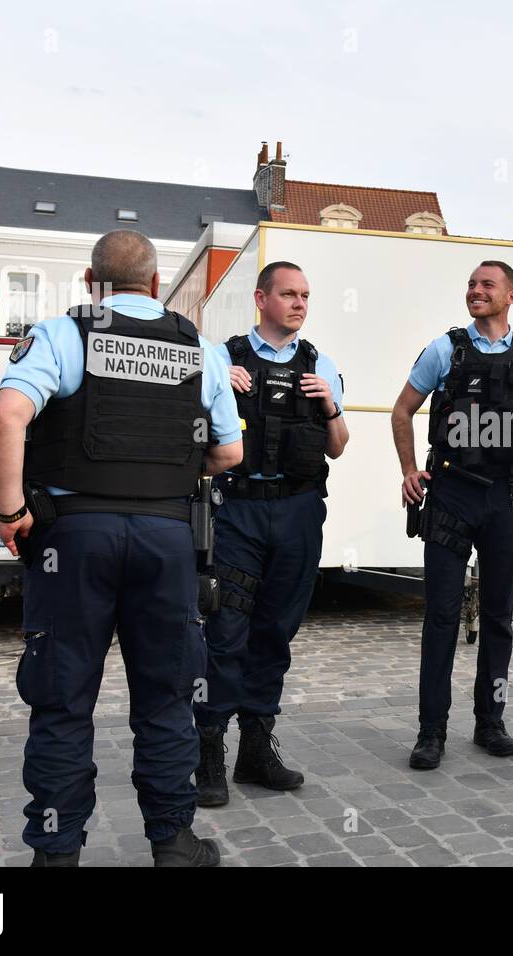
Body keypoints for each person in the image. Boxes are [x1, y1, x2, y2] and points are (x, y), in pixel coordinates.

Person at [0, 230, 243, 867]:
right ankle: (174, 844)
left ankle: (56, 851)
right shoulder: (198, 349)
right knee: (166, 697)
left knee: (63, 699)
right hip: (165, 540)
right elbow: (230, 452)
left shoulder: (63, 334)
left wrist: (11, 509)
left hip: (73, 539)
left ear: (90, 281)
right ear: (156, 285)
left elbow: (4, 417)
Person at [391, 261, 513, 770]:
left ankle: (491, 721)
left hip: (508, 499)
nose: (476, 291)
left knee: (498, 617)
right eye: (470, 284)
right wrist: (407, 470)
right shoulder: (446, 349)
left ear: (512, 295)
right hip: (450, 496)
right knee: (440, 615)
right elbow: (402, 411)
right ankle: (431, 730)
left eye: (487, 285)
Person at [193, 261, 350, 808]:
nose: (299, 304)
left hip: (299, 511)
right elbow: (191, 440)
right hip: (238, 512)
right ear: (261, 299)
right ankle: (207, 748)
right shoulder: (221, 358)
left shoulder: (320, 363)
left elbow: (338, 445)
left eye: (306, 295)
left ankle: (256, 749)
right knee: (226, 630)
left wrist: (328, 402)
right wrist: (219, 392)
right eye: (289, 294)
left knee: (276, 632)